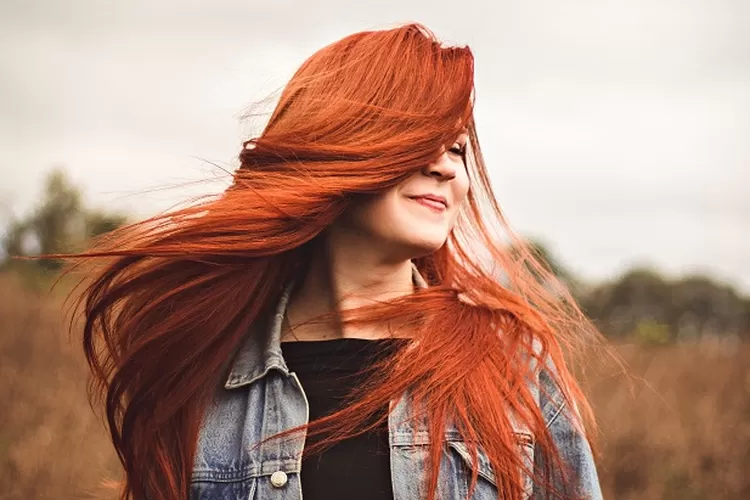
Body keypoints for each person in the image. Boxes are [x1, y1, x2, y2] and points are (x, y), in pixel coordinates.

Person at [71, 23, 605, 500]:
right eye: (422, 139)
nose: (447, 168)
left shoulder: (511, 360)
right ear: (342, 144)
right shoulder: (208, 370)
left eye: (459, 148)